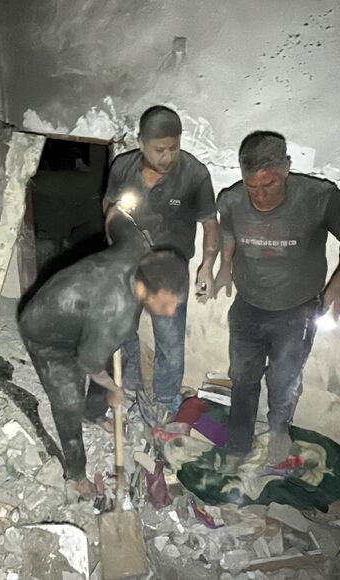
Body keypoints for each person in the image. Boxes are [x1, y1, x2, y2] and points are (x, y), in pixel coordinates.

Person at [214, 130, 340, 469]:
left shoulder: (319, 197)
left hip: (297, 311)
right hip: (248, 306)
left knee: (284, 381)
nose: (259, 195)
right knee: (243, 377)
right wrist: (224, 267)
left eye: (268, 185)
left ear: (286, 168)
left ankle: (278, 437)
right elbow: (228, 230)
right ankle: (237, 446)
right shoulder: (231, 199)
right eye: (252, 186)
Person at [18, 212, 189, 496]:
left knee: (107, 358)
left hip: (81, 313)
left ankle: (94, 413)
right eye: (167, 303)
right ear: (145, 288)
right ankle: (76, 473)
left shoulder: (138, 246)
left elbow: (115, 216)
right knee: (68, 402)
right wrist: (114, 389)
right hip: (46, 332)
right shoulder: (116, 314)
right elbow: (88, 363)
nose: (171, 312)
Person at [103, 105, 219, 407]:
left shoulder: (194, 174)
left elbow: (210, 222)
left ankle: (166, 401)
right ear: (141, 143)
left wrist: (208, 264)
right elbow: (109, 204)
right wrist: (112, 230)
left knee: (169, 340)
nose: (167, 157)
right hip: (129, 265)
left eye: (174, 147)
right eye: (159, 150)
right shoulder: (122, 167)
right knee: (124, 328)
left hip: (170, 272)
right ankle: (131, 388)